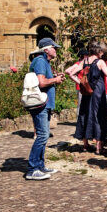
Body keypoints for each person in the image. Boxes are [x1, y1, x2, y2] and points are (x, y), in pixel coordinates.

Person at [27, 37, 65, 181]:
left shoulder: (45, 62)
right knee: (42, 135)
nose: (56, 50)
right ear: (46, 50)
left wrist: (55, 77)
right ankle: (32, 169)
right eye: (54, 47)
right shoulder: (41, 61)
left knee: (44, 134)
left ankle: (40, 165)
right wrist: (55, 80)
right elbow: (41, 82)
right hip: (40, 103)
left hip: (44, 103)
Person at [69, 41, 107, 155]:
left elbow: (70, 73)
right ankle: (99, 147)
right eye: (103, 51)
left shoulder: (84, 61)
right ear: (99, 51)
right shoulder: (100, 62)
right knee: (98, 116)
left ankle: (85, 145)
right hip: (98, 93)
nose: (103, 53)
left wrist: (81, 83)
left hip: (86, 93)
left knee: (85, 114)